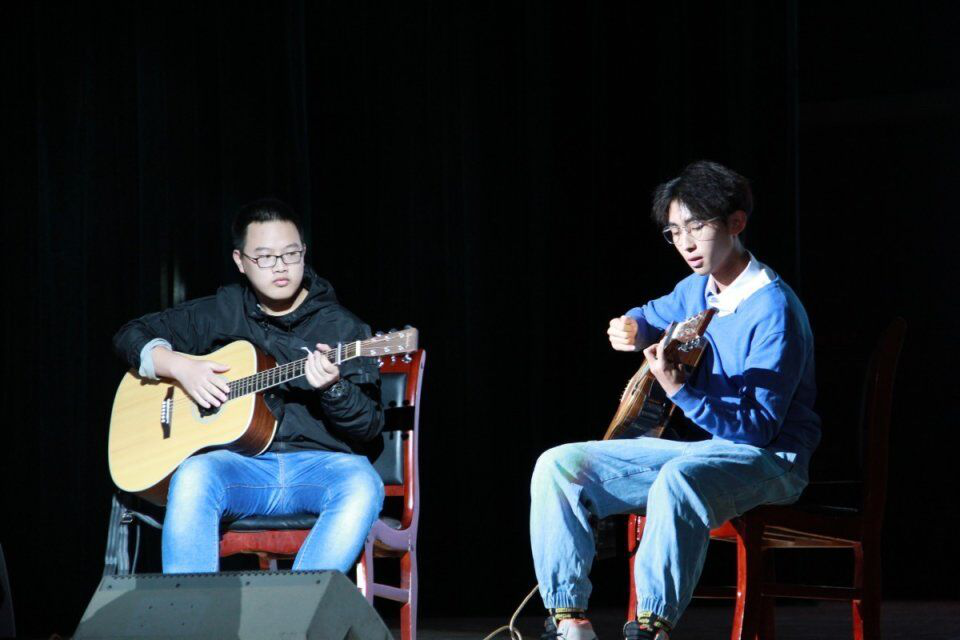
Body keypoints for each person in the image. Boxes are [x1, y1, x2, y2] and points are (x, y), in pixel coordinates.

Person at [530, 161, 820, 639]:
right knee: (560, 465)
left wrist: (681, 390)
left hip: (773, 459)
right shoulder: (696, 289)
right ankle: (569, 621)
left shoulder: (774, 308)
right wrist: (632, 327)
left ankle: (652, 627)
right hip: (710, 450)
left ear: (736, 223)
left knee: (678, 478)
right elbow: (650, 315)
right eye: (675, 231)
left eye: (697, 226)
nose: (686, 242)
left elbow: (759, 429)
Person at [113, 198, 385, 573]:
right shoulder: (222, 311)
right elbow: (131, 334)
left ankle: (299, 605)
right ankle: (190, 606)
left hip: (318, 468)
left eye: (291, 254)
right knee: (194, 475)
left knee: (362, 483)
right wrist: (180, 366)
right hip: (243, 469)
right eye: (265, 257)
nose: (281, 266)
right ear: (240, 261)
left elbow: (369, 427)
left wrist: (333, 389)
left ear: (304, 253)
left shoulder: (342, 328)